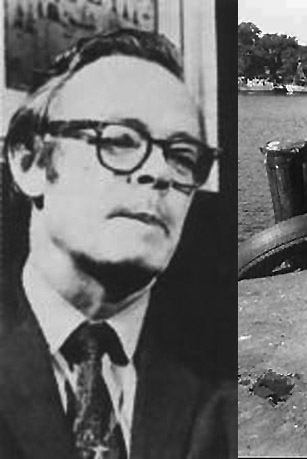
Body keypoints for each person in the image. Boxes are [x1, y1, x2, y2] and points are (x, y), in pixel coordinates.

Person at [0, 29, 234, 458]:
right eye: (120, 141)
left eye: (182, 156)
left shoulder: (221, 378)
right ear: (29, 160)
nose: (160, 173)